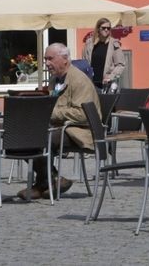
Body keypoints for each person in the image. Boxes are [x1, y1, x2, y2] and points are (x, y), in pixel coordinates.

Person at [19, 42, 101, 200]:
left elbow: (83, 114)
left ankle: (44, 182)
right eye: (45, 59)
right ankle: (50, 180)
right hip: (59, 127)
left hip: (80, 131)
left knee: (40, 139)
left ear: (65, 59)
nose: (47, 63)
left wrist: (51, 113)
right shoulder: (55, 79)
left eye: (50, 59)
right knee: (23, 137)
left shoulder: (79, 80)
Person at [82, 17, 126, 93]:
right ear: (98, 28)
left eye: (108, 28)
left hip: (107, 85)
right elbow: (84, 62)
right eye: (104, 28)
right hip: (91, 84)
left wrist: (111, 76)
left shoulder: (114, 44)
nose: (106, 30)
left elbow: (120, 64)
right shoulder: (89, 43)